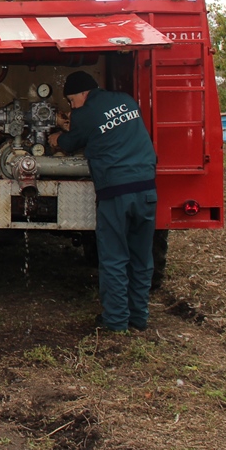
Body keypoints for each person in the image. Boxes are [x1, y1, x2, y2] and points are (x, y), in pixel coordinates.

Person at [48, 71, 157, 332]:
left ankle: (116, 322)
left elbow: (71, 142)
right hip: (146, 189)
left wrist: (56, 138)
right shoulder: (127, 100)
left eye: (72, 101)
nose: (72, 107)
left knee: (114, 258)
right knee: (142, 258)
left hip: (116, 192)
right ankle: (138, 317)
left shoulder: (85, 113)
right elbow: (107, 128)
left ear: (83, 93)